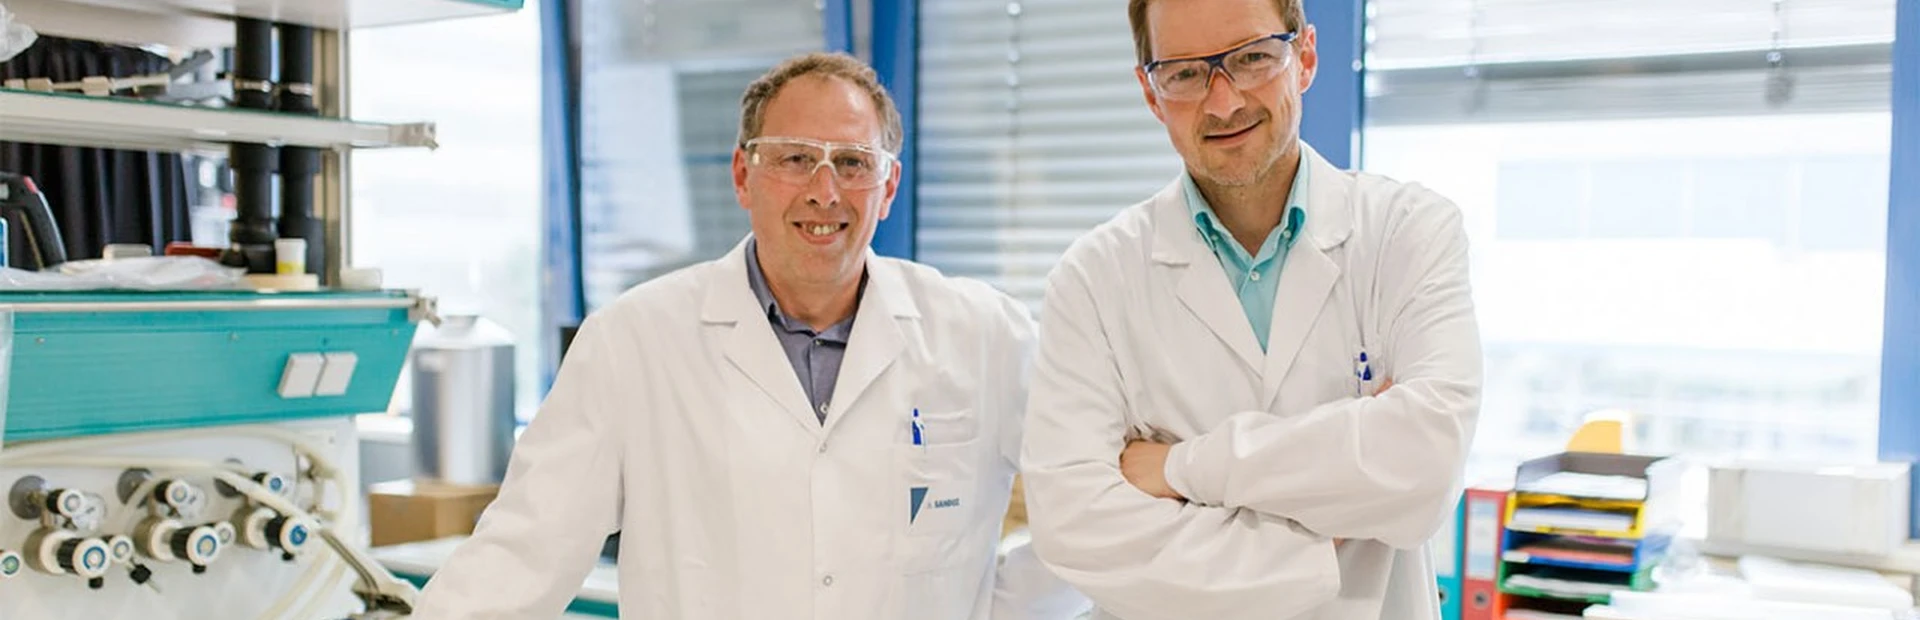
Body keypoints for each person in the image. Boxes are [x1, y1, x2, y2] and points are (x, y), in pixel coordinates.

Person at [412, 52, 1078, 620]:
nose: (825, 191)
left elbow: (1090, 509)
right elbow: (524, 551)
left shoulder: (984, 333)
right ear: (742, 175)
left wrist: (994, 606)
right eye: (795, 158)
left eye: (852, 162)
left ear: (888, 186)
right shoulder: (633, 341)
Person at [1018, 0, 1484, 617]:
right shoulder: (1093, 277)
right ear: (1151, 93)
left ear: (1306, 56)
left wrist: (1181, 467)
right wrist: (1326, 532)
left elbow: (1425, 468)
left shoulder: (1408, 232)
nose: (1223, 101)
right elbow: (1076, 527)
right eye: (1184, 73)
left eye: (1252, 58)